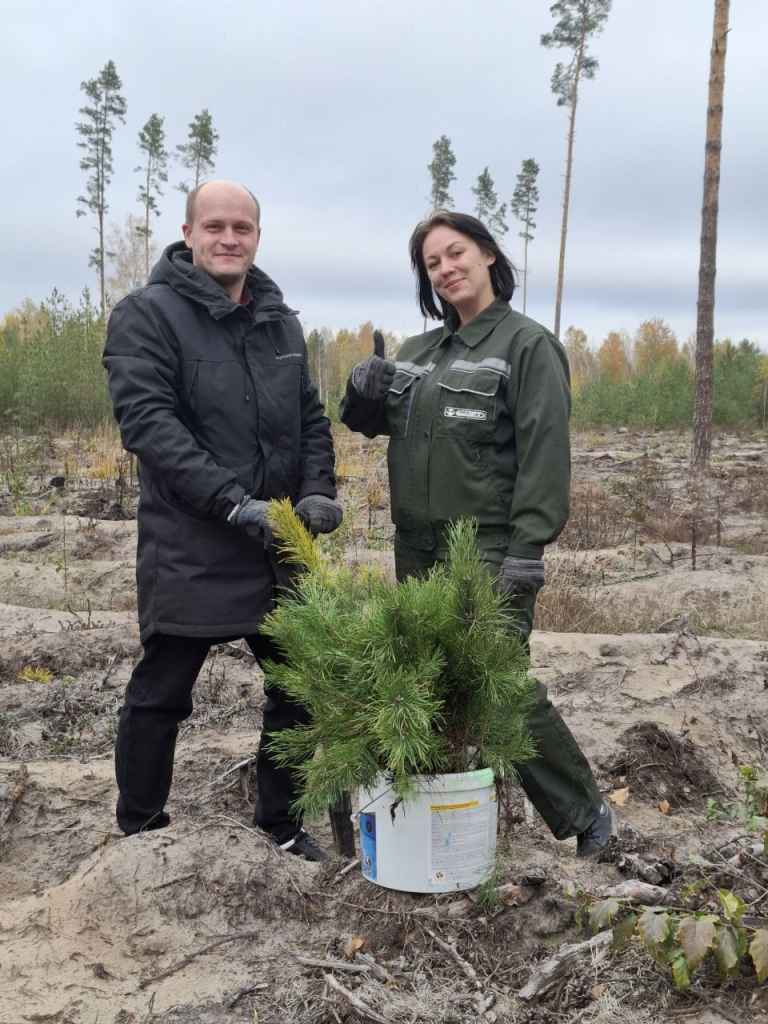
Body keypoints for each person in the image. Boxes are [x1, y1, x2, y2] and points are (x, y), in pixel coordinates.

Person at [340, 211, 614, 857]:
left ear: (489, 255)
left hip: (490, 548)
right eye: (433, 263)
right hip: (418, 547)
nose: (446, 268)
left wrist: (529, 548)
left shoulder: (525, 345)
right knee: (428, 678)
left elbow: (545, 450)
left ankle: (584, 814)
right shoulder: (419, 352)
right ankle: (443, 815)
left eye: (456, 252)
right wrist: (362, 390)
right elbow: (370, 424)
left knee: (500, 682)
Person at [103, 180, 342, 861]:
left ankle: (283, 825)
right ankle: (140, 829)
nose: (228, 237)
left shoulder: (279, 321)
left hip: (277, 548)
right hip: (192, 544)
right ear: (188, 233)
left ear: (257, 237)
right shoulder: (147, 315)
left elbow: (310, 419)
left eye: (242, 226)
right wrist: (232, 501)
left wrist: (317, 491)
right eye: (215, 226)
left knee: (300, 686)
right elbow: (151, 426)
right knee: (162, 691)